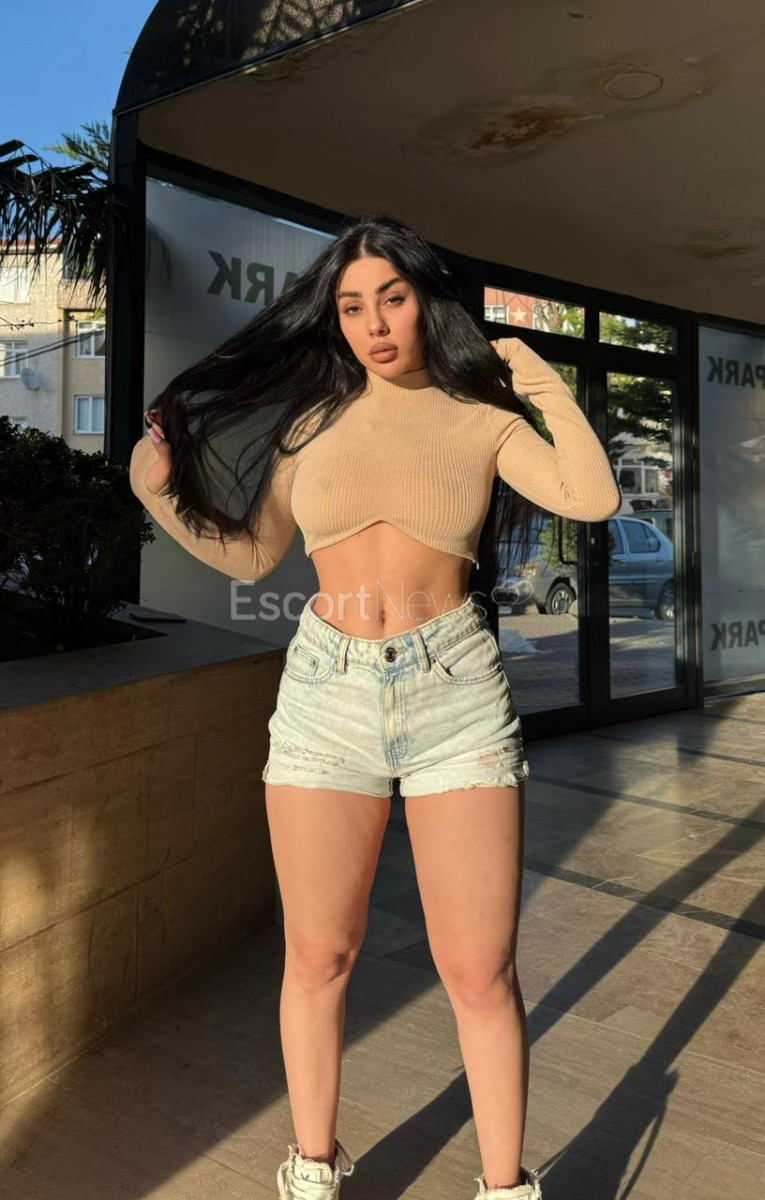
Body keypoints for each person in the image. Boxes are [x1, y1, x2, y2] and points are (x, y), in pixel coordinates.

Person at [130, 213, 621, 1200]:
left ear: (425, 301)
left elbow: (592, 495)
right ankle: (312, 1170)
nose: (373, 323)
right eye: (353, 306)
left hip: (454, 694)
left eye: (391, 299)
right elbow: (255, 555)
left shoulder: (481, 421)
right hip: (326, 695)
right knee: (319, 955)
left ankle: (504, 1188)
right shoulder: (310, 424)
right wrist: (159, 493)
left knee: (479, 971)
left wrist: (535, 378)